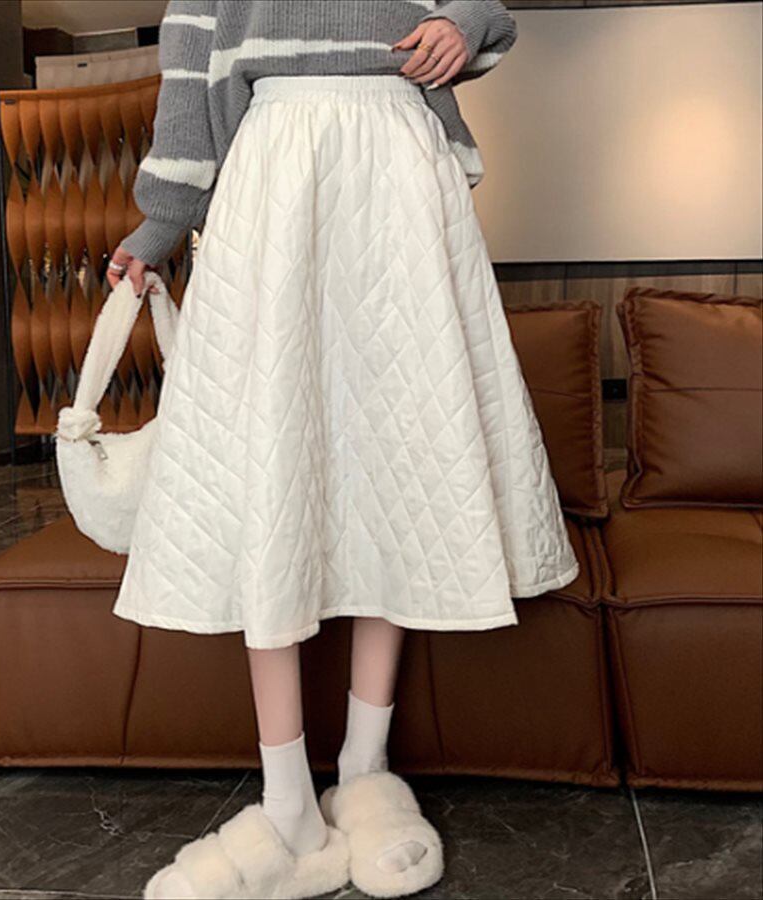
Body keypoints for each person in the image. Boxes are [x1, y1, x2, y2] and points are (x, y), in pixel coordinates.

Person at [106, 2, 579, 898]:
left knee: (400, 450)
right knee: (271, 462)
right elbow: (190, 78)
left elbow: (484, 10)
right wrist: (159, 225)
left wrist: (462, 22)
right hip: (273, 169)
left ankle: (365, 772)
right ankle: (287, 799)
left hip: (400, 163)